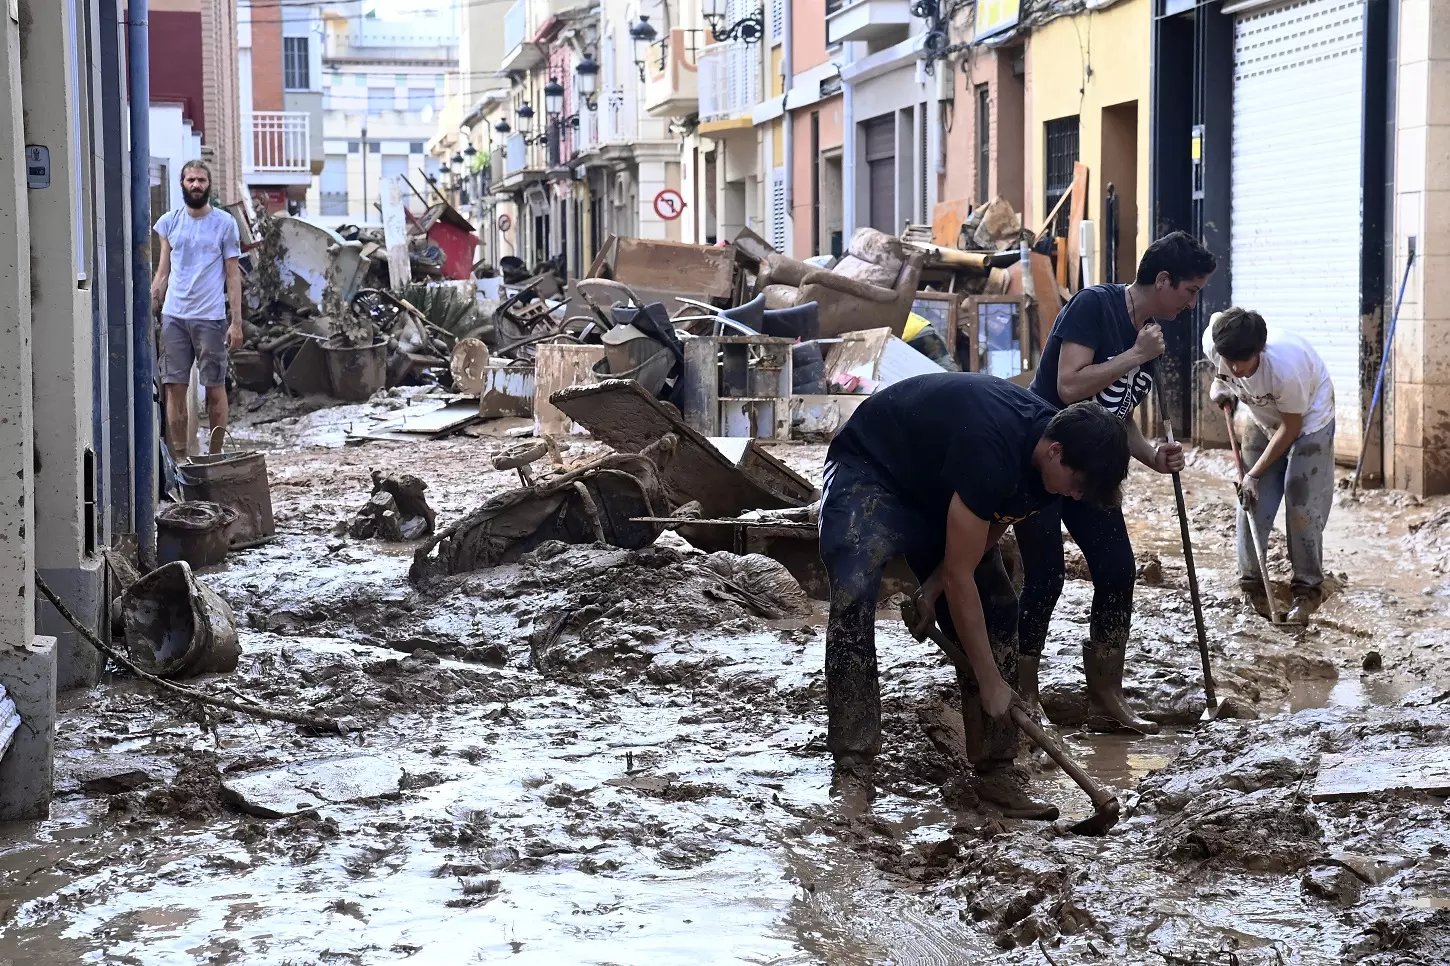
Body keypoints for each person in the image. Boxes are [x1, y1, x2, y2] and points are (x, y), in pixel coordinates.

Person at [819, 373, 1130, 818]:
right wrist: (990, 681)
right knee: (853, 591)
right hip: (873, 468)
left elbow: (999, 517)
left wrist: (932, 587)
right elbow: (962, 573)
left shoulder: (1052, 466)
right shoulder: (995, 450)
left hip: (945, 487)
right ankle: (853, 767)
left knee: (1000, 608)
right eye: (1078, 484)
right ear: (1055, 451)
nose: (1077, 495)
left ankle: (996, 773)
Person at [1015, 231, 1218, 734]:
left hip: (1097, 466)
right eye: (1190, 291)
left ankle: (1106, 695)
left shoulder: (1151, 331)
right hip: (1049, 459)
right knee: (1046, 576)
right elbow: (1069, 385)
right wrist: (1134, 354)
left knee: (1117, 568)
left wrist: (1151, 454)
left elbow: (1116, 409)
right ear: (1164, 280)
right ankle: (1022, 692)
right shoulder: (1095, 306)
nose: (1192, 303)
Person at [1204, 308, 1335, 624]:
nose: (1235, 368)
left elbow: (1290, 429)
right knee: (1251, 502)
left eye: (1242, 362)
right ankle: (1252, 587)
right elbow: (1217, 322)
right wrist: (1220, 385)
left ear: (1259, 350)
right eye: (1228, 361)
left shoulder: (1285, 369)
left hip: (1308, 423)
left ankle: (1307, 591)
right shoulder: (1216, 344)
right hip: (1262, 417)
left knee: (1301, 502)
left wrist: (1253, 473)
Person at [151, 160, 243, 460]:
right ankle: (180, 461)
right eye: (190, 180)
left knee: (215, 388)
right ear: (182, 184)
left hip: (211, 319)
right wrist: (153, 302)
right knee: (174, 389)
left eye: (201, 180)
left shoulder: (225, 224)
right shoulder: (169, 222)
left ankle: (215, 457)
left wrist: (236, 323)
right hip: (175, 317)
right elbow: (163, 269)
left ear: (209, 184)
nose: (196, 185)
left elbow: (233, 275)